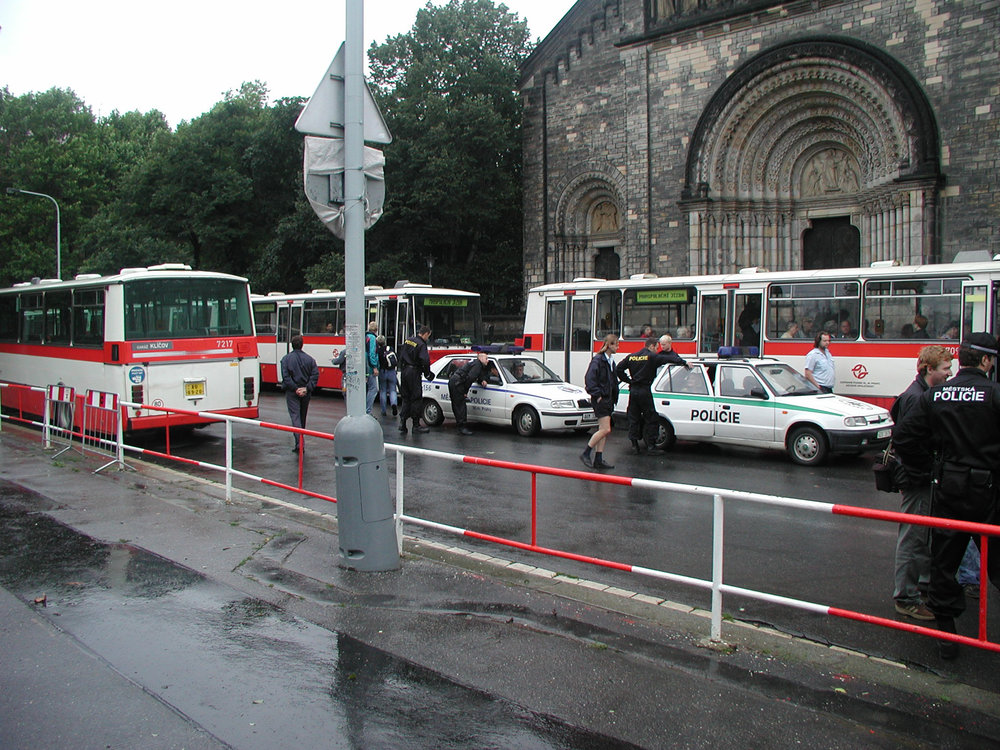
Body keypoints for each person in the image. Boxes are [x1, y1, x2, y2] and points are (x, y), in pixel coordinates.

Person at [893, 332, 1000, 659]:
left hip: (949, 489)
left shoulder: (937, 396)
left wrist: (930, 467)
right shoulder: (995, 394)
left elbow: (903, 436)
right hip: (990, 493)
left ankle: (947, 637)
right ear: (985, 361)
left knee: (944, 563)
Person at [890, 345, 953, 622]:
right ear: (929, 369)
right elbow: (906, 441)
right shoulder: (917, 398)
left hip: (919, 476)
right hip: (917, 478)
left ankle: (918, 588)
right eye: (945, 369)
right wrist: (926, 467)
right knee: (913, 538)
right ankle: (906, 598)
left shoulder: (920, 394)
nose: (949, 375)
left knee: (920, 536)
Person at [615, 335, 687, 455]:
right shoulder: (652, 357)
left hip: (633, 391)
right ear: (652, 346)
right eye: (656, 347)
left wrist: (628, 381)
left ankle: (634, 446)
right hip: (645, 390)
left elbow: (619, 369)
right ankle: (651, 446)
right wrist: (684, 362)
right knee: (651, 418)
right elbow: (672, 359)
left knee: (634, 418)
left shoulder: (632, 356)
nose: (657, 349)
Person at [580, 334, 619, 469]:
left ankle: (598, 458)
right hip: (601, 399)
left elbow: (613, 381)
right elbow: (589, 379)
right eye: (615, 344)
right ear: (608, 345)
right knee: (606, 429)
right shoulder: (598, 360)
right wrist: (597, 395)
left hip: (608, 399)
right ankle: (586, 453)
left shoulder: (610, 361)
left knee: (603, 430)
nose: (617, 347)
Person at [280, 335, 319, 453]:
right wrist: (306, 388)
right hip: (306, 392)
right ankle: (300, 441)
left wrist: (295, 388)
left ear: (292, 345)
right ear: (302, 344)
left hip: (292, 392)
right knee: (302, 417)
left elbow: (286, 377)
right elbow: (315, 375)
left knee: (295, 417)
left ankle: (299, 444)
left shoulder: (285, 359)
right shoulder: (310, 360)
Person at [448, 351, 495, 436]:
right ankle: (462, 427)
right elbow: (471, 378)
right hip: (457, 383)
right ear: (480, 358)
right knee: (460, 405)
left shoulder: (477, 364)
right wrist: (465, 392)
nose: (487, 360)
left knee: (458, 405)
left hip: (456, 382)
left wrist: (482, 381)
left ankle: (461, 426)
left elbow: (477, 376)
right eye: (486, 358)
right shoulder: (477, 365)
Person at [398, 326, 434, 434]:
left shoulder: (409, 340)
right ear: (426, 334)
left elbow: (401, 355)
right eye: (428, 336)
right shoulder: (422, 344)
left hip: (404, 371)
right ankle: (416, 425)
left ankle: (403, 423)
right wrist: (427, 373)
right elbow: (425, 360)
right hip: (414, 372)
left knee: (406, 397)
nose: (428, 338)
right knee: (416, 398)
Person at [376, 335, 398, 418]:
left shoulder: (378, 350)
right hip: (392, 371)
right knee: (393, 390)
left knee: (383, 391)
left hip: (382, 371)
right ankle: (394, 404)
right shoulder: (390, 348)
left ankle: (383, 410)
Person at [365, 321, 379, 415]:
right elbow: (372, 353)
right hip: (369, 367)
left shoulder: (366, 336)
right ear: (376, 329)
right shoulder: (373, 338)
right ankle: (368, 411)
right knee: (374, 389)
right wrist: (374, 367)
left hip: (365, 365)